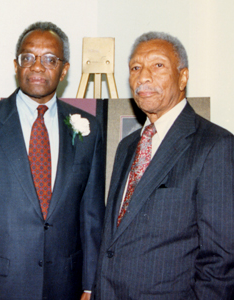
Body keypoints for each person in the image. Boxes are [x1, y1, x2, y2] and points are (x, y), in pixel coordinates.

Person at [0, 21, 105, 300]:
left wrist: (90, 285)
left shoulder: (89, 129)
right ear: (16, 65)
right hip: (0, 287)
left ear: (64, 70)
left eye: (49, 59)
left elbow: (91, 215)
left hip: (66, 286)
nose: (37, 66)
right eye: (28, 58)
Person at [92, 32, 234, 299]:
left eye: (158, 65)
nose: (143, 76)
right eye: (135, 68)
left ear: (183, 77)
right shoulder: (127, 146)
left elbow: (222, 259)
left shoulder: (215, 145)